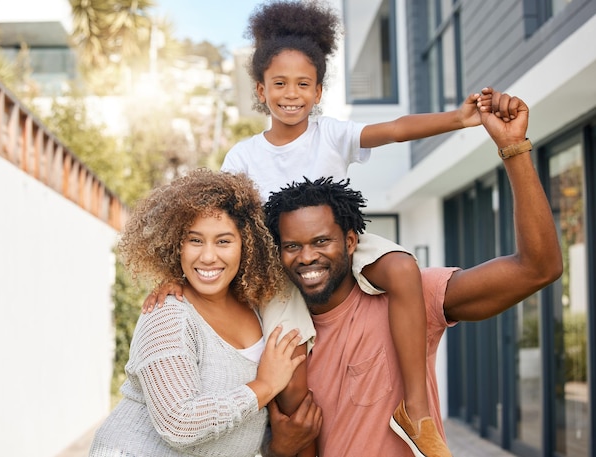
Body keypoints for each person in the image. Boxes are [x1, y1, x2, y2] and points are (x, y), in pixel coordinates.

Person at [145, 2, 495, 454]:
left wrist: (458, 118)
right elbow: (214, 221)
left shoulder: (331, 134)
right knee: (290, 360)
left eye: (303, 84)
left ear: (318, 90)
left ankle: (416, 408)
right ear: (260, 89)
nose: (291, 94)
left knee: (405, 269)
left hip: (340, 241)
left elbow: (395, 128)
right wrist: (179, 272)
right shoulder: (244, 156)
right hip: (279, 260)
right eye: (279, 84)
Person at [258, 91, 562, 456]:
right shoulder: (277, 338)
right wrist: (280, 450)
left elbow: (538, 269)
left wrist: (514, 150)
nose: (307, 257)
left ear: (352, 241)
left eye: (322, 241)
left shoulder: (408, 298)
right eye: (292, 246)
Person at [89, 169, 308, 457]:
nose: (207, 256)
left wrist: (277, 445)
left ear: (247, 245)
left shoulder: (255, 308)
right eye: (194, 240)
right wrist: (264, 386)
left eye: (223, 241)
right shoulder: (167, 313)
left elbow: (238, 426)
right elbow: (180, 424)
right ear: (176, 245)